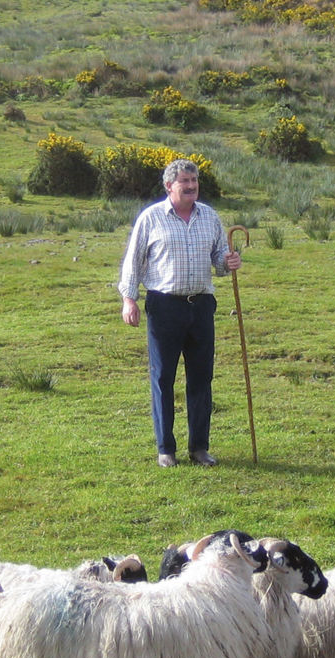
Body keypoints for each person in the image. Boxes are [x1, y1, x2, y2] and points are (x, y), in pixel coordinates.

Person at [118, 159, 242, 467]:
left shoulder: (209, 217)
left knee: (201, 378)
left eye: (194, 180)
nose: (191, 186)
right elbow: (133, 262)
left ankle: (199, 448)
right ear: (169, 186)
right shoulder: (151, 218)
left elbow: (218, 261)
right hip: (164, 307)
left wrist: (229, 263)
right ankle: (166, 450)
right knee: (163, 378)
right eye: (184, 181)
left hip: (201, 306)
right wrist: (129, 299)